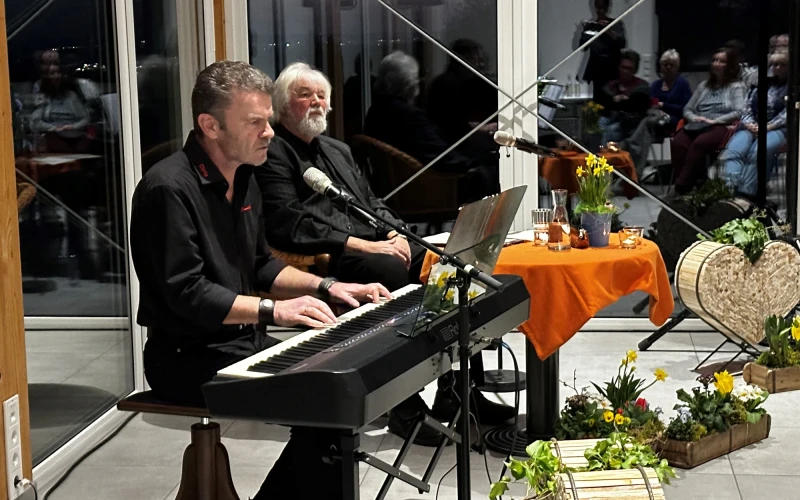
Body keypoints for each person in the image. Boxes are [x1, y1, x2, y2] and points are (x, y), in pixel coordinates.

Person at [130, 60, 393, 500]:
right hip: (184, 359)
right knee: (326, 408)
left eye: (268, 120)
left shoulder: (244, 176)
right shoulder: (168, 189)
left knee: (337, 394)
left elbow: (261, 265)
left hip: (238, 343)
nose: (269, 132)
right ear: (210, 125)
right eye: (255, 122)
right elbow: (188, 294)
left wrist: (327, 286)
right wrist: (275, 310)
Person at [254, 61, 516, 444]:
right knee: (391, 273)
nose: (316, 102)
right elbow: (288, 222)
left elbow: (372, 201)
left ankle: (460, 392)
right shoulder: (273, 152)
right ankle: (404, 407)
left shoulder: (337, 149)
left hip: (375, 243)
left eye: (321, 95)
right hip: (330, 253)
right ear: (281, 104)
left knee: (453, 268)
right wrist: (366, 244)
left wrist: (396, 232)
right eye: (304, 95)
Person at [364, 51, 500, 203]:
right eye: (417, 79)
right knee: (490, 172)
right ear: (409, 84)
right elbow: (442, 157)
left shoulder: (375, 112)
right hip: (426, 190)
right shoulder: (410, 117)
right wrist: (480, 160)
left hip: (392, 189)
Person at [670, 47, 746, 195]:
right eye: (714, 60)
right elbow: (687, 109)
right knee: (678, 142)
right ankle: (696, 184)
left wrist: (715, 121)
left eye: (721, 61)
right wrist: (695, 118)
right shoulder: (703, 86)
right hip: (698, 123)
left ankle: (681, 187)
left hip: (721, 125)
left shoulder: (736, 86)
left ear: (730, 66)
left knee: (700, 143)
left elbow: (738, 112)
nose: (716, 64)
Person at [721, 49, 789, 197]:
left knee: (759, 151)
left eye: (781, 64)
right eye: (773, 64)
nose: (776, 68)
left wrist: (767, 127)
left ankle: (747, 194)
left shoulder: (792, 87)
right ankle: (731, 191)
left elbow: (787, 114)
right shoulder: (760, 84)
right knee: (734, 150)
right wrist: (749, 124)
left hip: (777, 128)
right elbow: (746, 108)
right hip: (751, 126)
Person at [617, 49, 692, 177]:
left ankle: (631, 148)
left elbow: (686, 108)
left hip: (674, 119)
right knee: (643, 121)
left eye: (671, 65)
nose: (668, 67)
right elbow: (649, 102)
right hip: (654, 118)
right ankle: (631, 168)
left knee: (648, 121)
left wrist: (664, 105)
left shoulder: (682, 84)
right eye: (665, 64)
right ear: (660, 67)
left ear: (677, 67)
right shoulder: (656, 85)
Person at [596, 49, 650, 145]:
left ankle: (602, 154)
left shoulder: (642, 86)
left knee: (609, 131)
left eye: (629, 68)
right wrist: (614, 100)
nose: (625, 71)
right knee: (599, 125)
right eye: (623, 67)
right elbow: (602, 102)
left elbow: (636, 107)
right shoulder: (612, 85)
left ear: (635, 70)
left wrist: (622, 101)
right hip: (612, 117)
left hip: (630, 125)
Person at [577, 0, 627, 100]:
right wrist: (585, 32)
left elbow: (622, 44)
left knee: (613, 98)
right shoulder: (591, 25)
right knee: (598, 99)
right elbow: (583, 47)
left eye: (603, 8)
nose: (600, 11)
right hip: (597, 68)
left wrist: (608, 30)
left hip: (612, 68)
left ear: (608, 8)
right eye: (598, 8)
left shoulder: (615, 23)